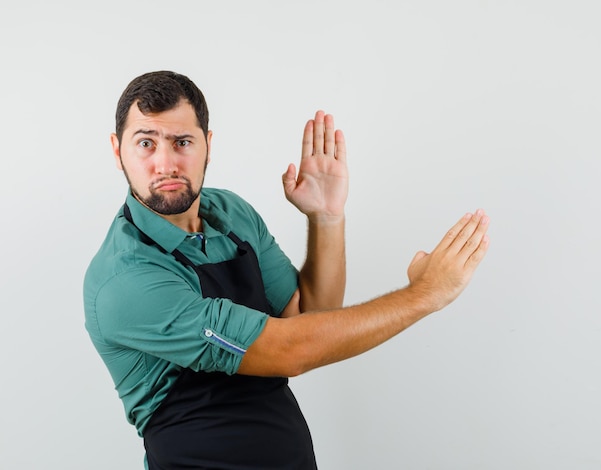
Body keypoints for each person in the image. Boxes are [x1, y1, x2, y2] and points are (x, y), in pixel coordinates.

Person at [83, 70, 490, 469]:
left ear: (208, 145)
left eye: (182, 142)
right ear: (118, 151)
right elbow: (290, 350)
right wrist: (425, 295)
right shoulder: (125, 279)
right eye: (146, 144)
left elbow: (311, 317)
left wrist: (327, 218)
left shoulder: (231, 214)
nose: (165, 163)